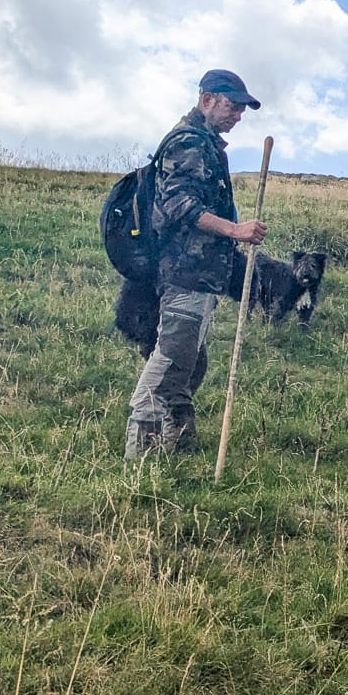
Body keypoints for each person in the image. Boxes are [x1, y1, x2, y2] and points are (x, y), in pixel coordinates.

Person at [125, 69, 267, 459]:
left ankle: (181, 448)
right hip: (184, 274)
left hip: (199, 277)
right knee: (170, 363)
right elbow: (178, 205)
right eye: (232, 105)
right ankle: (143, 462)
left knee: (190, 364)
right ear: (207, 99)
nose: (238, 115)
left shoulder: (204, 143)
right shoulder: (189, 142)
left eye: (242, 109)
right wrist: (235, 231)